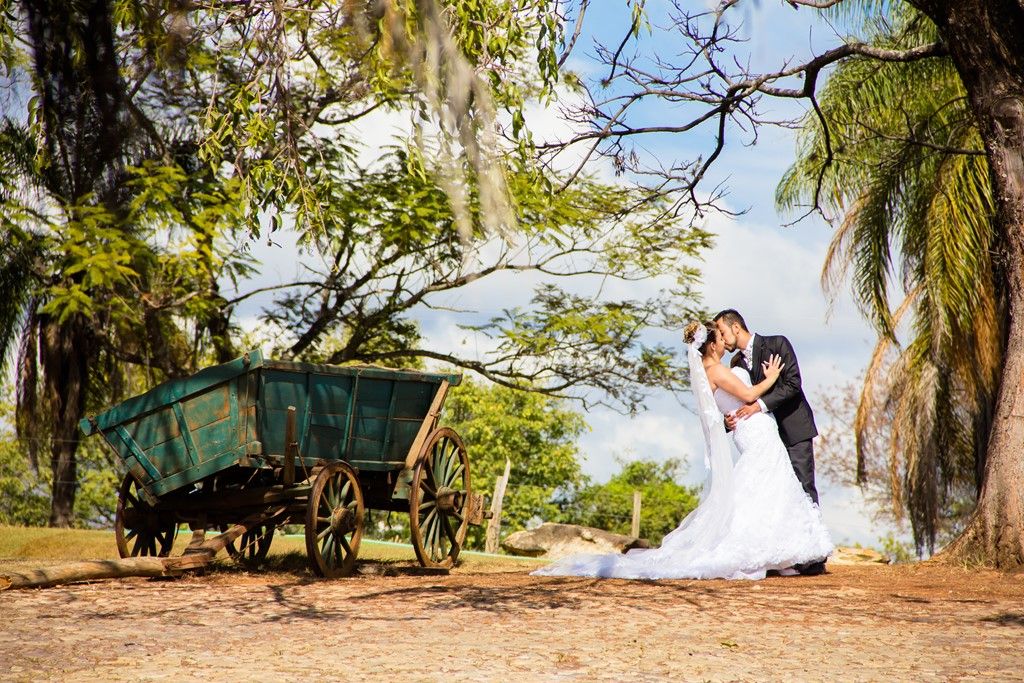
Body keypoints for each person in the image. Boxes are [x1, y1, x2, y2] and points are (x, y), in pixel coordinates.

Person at [532, 320, 832, 580]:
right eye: (720, 338)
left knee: (773, 490)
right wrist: (771, 378)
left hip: (764, 431)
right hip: (756, 434)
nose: (725, 342)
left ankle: (787, 556)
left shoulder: (716, 368)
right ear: (712, 345)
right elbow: (749, 394)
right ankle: (770, 553)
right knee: (760, 489)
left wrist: (740, 410)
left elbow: (731, 404)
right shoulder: (720, 369)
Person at [713, 309, 827, 576]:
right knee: (777, 493)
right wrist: (728, 423)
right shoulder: (735, 366)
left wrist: (760, 406)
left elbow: (793, 384)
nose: (721, 337)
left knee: (803, 488)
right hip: (765, 438)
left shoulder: (777, 344)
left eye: (722, 331)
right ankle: (781, 555)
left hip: (793, 429)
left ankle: (813, 556)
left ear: (736, 327)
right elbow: (737, 402)